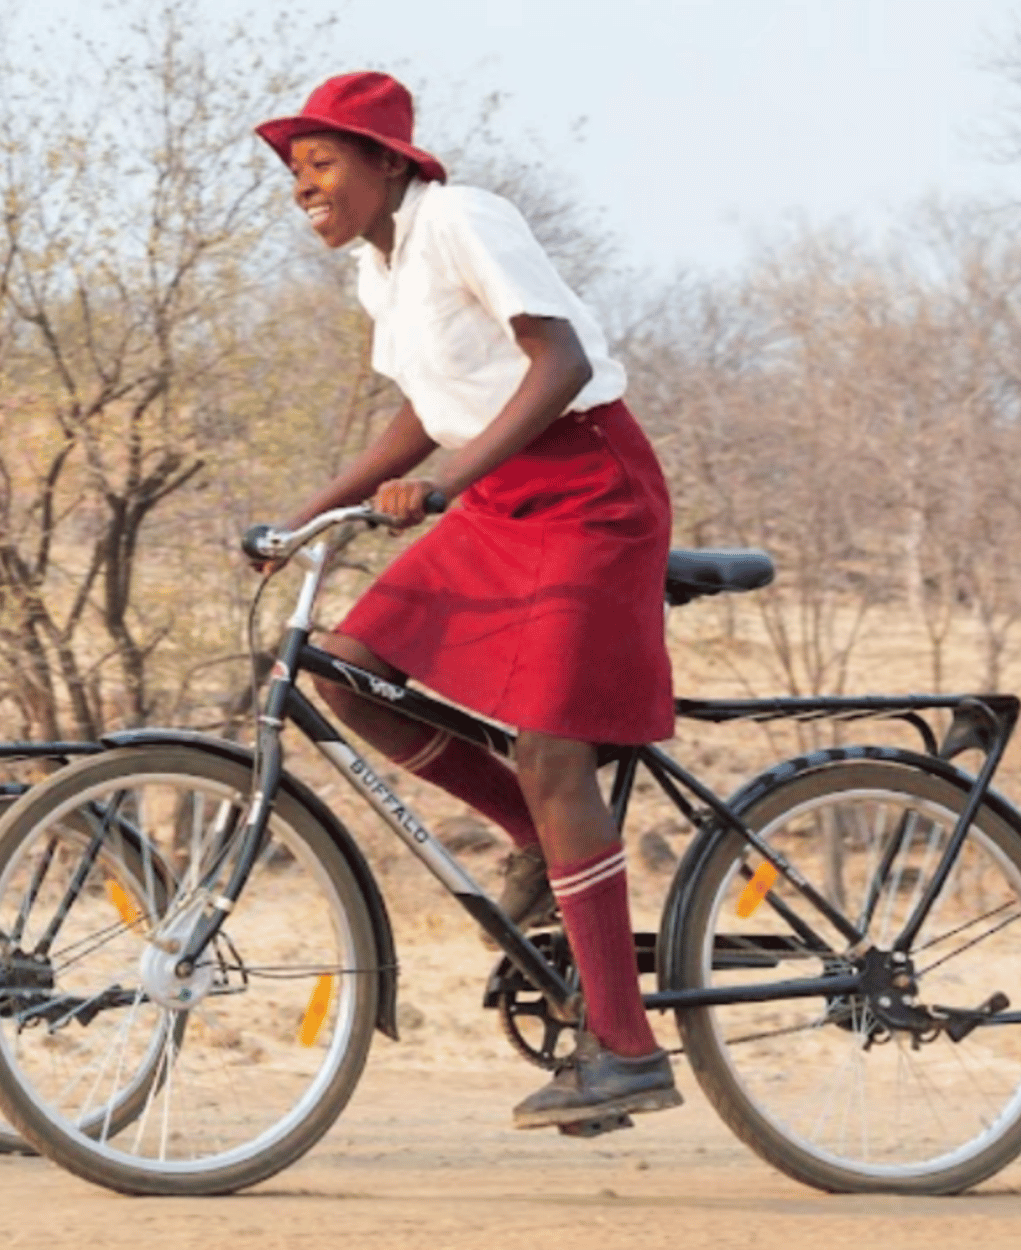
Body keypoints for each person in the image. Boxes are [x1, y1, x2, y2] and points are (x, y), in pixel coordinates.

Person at [254, 72, 683, 1130]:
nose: (303, 185)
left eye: (322, 162)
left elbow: (562, 360)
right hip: (497, 498)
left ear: (389, 161)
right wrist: (312, 510)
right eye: (294, 170)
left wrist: (445, 484)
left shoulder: (462, 217)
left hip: (591, 494)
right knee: (345, 671)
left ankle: (625, 1047)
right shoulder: (378, 269)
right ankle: (533, 837)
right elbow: (426, 409)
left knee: (552, 749)